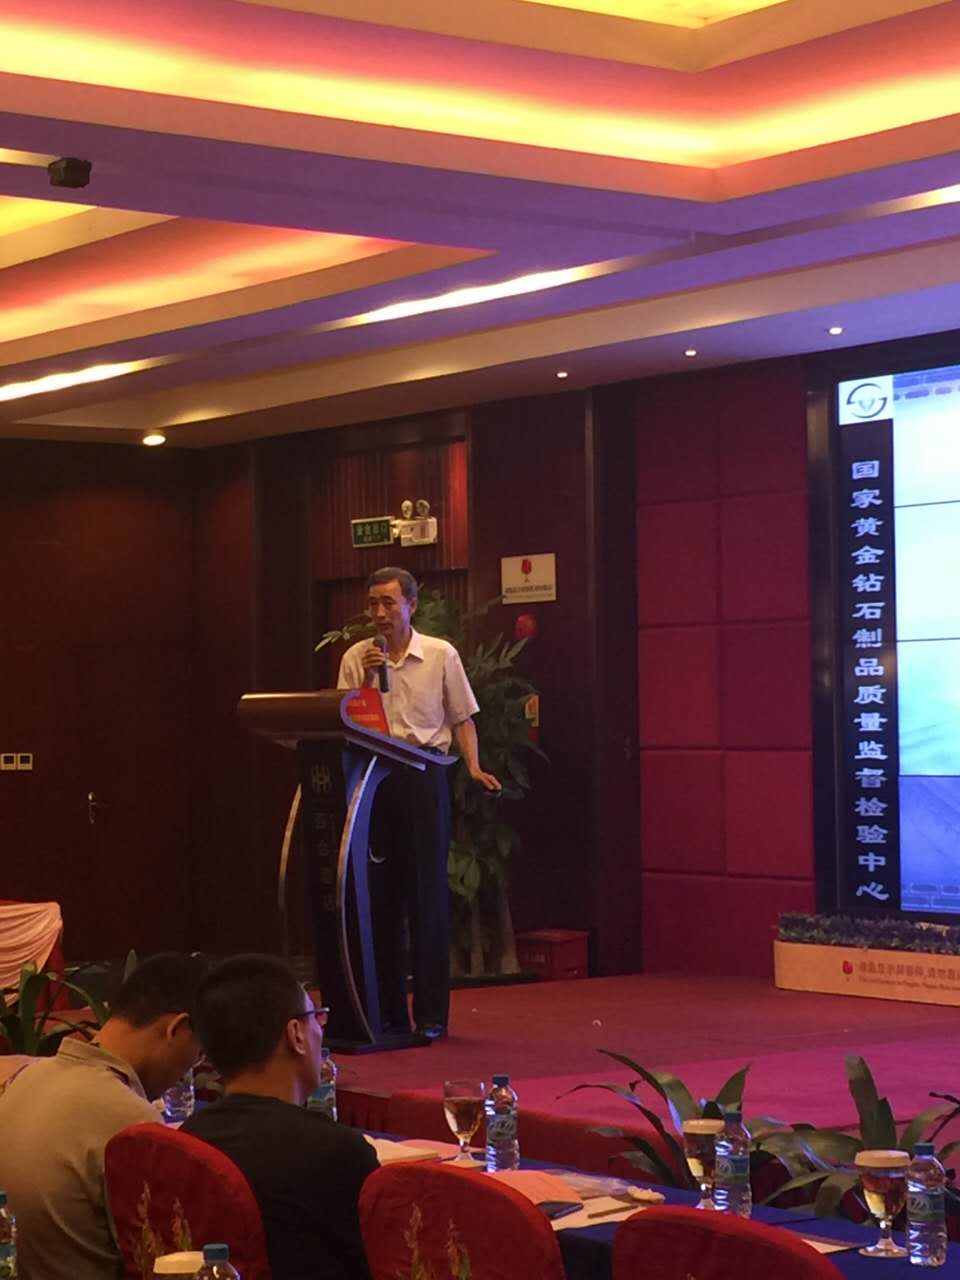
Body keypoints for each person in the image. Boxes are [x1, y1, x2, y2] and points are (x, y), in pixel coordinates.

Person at [337, 567, 500, 1039]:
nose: (380, 613)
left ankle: (430, 1016)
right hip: (373, 781)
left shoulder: (440, 654)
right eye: (373, 604)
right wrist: (369, 676)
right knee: (380, 899)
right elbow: (343, 717)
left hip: (423, 777)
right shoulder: (356, 657)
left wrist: (472, 766)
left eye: (389, 603)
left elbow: (462, 717)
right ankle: (388, 1012)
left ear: (411, 605)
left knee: (426, 897)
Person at [0, 952, 205, 1280]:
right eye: (199, 1052)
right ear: (177, 1029)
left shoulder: (24, 1081)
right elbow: (164, 1266)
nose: (192, 1066)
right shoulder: (131, 1120)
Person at [182, 954, 378, 1280]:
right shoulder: (336, 1152)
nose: (320, 1031)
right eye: (316, 1017)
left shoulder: (189, 1137)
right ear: (295, 1034)